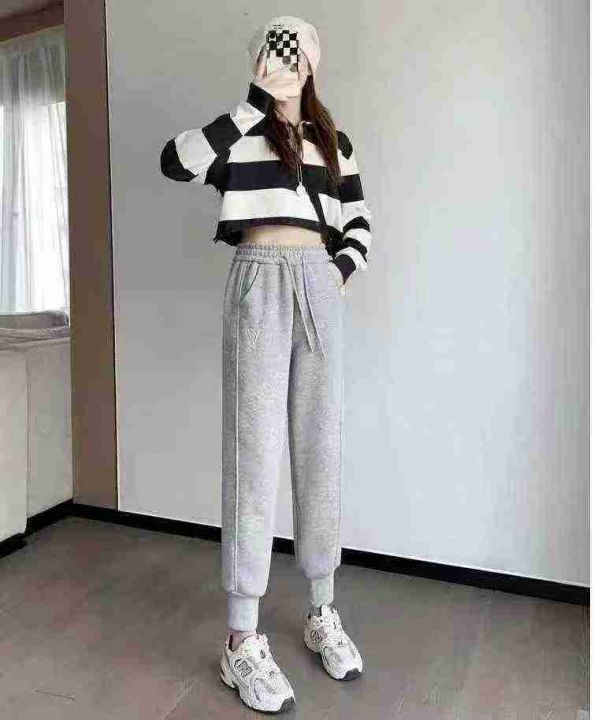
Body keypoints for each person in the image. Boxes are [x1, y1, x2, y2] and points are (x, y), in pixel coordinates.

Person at [160, 15, 371, 714]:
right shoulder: (239, 132)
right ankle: (241, 638)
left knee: (320, 446)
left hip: (317, 283)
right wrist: (253, 102)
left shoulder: (335, 143)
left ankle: (321, 609)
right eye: (275, 53)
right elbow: (175, 161)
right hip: (257, 277)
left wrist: (336, 272)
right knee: (252, 452)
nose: (287, 64)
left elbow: (359, 222)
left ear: (312, 61)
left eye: (296, 52)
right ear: (259, 60)